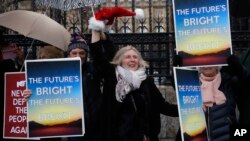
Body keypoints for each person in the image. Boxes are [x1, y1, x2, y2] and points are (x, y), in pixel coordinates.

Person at [89, 30, 179, 141]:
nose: (132, 60)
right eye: (128, 57)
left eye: (135, 57)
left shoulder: (146, 81)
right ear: (120, 61)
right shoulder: (112, 76)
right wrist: (96, 32)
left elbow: (162, 105)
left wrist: (186, 110)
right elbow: (99, 57)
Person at [67, 32, 116, 141]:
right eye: (74, 53)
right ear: (69, 54)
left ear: (86, 54)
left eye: (82, 53)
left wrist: (105, 38)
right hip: (75, 127)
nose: (78, 56)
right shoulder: (61, 72)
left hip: (97, 124)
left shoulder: (93, 68)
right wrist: (31, 94)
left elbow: (109, 60)